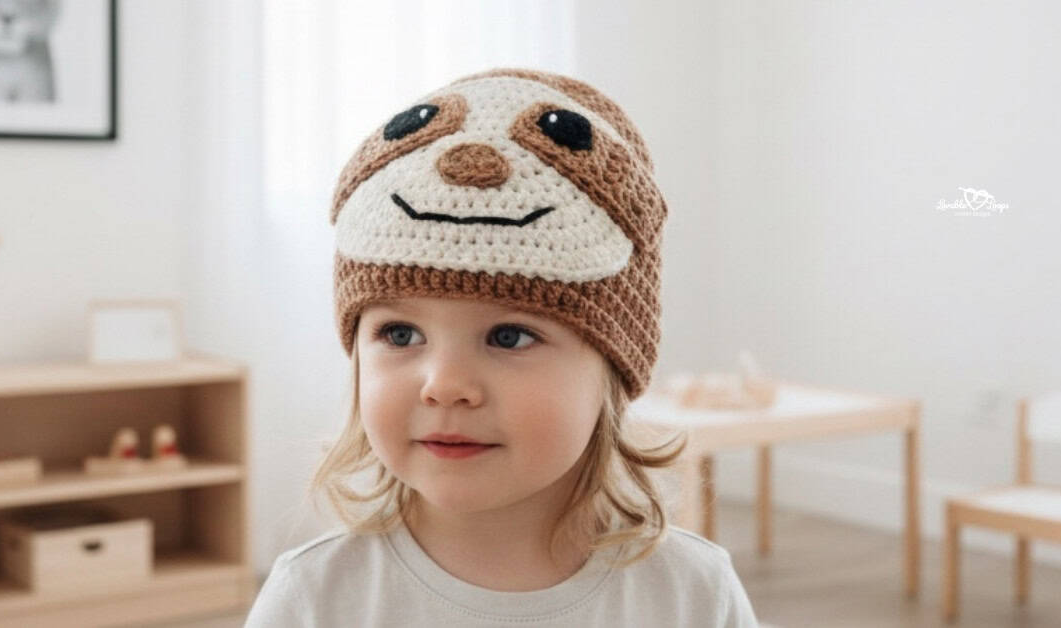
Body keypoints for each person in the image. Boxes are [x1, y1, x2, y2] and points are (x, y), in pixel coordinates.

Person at [244, 67, 759, 627]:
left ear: (613, 365)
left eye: (508, 336)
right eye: (400, 334)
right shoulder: (314, 598)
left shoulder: (691, 595)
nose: (443, 385)